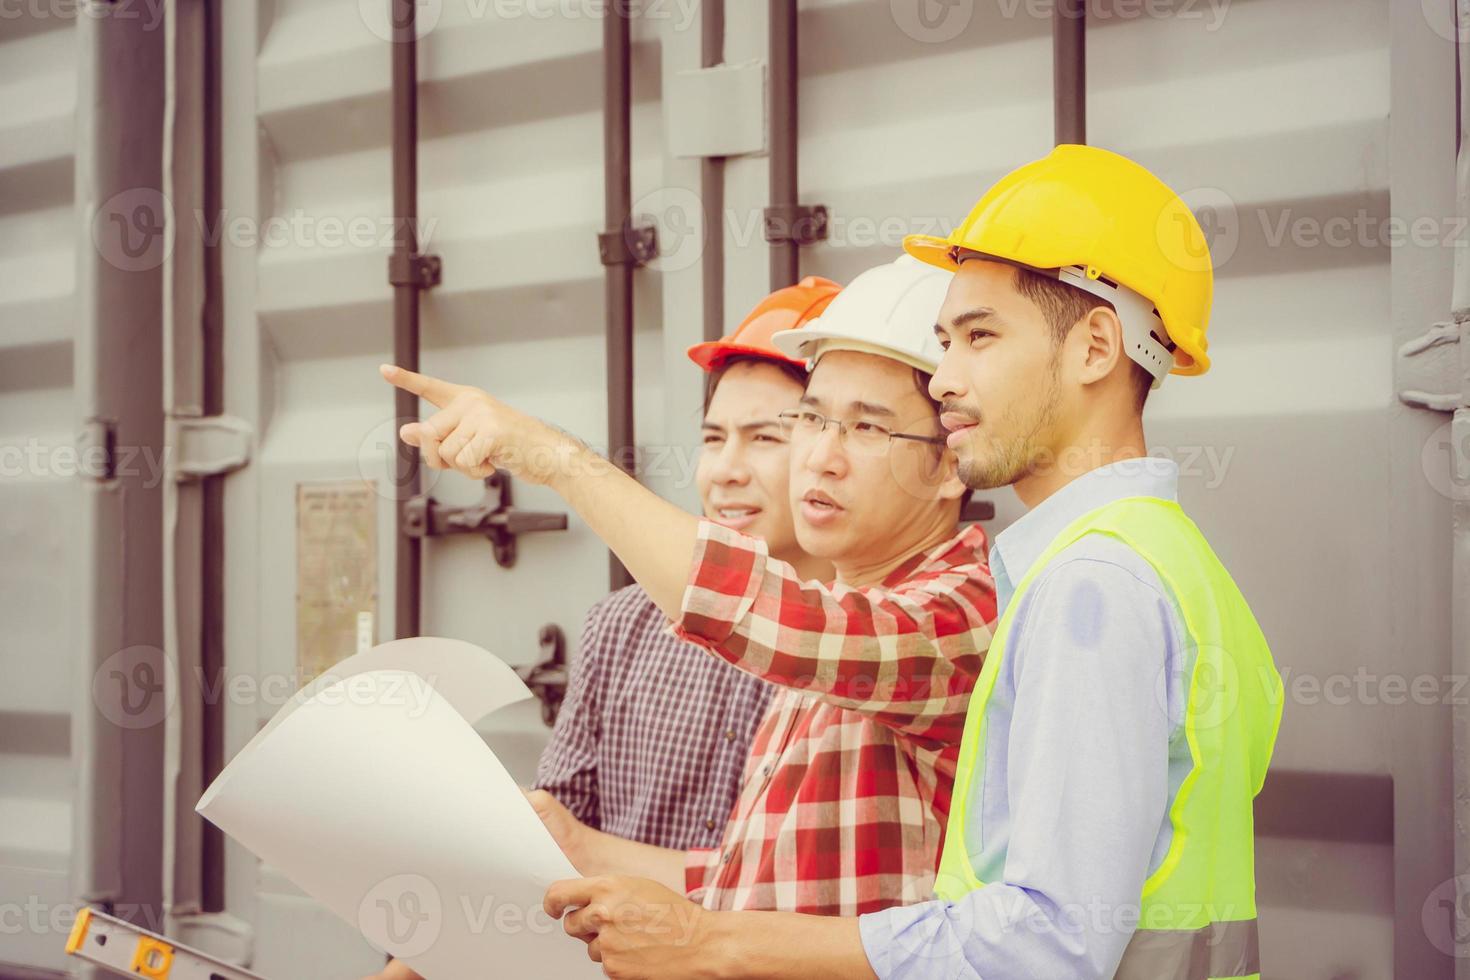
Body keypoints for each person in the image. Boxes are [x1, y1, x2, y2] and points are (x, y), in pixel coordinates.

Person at [538, 145, 1285, 980]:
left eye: (977, 338)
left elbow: (1051, 941)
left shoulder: (1094, 586)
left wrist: (712, 944)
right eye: (943, 342)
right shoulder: (1150, 564)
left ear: (1095, 348)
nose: (947, 381)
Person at [379, 255, 997, 920]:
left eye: (868, 427)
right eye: (814, 421)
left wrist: (554, 457)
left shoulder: (958, 616)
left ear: (951, 465)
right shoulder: (810, 639)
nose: (821, 456)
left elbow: (776, 619)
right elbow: (757, 887)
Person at [363, 279, 838, 980]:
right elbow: (545, 849)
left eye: (766, 438)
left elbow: (814, 905)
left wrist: (595, 856)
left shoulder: (879, 646)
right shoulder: (625, 626)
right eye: (713, 438)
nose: (727, 471)